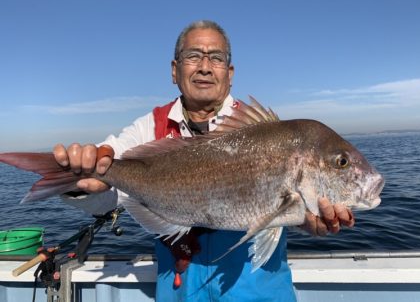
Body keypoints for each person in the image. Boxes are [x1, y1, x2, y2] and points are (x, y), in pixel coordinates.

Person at [53, 20, 354, 301]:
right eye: (193, 56)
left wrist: (308, 220)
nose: (205, 67)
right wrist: (81, 185)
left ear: (230, 73)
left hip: (260, 292)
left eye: (216, 58)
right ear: (174, 70)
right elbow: (109, 192)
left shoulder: (263, 132)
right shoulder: (148, 129)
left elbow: (283, 210)